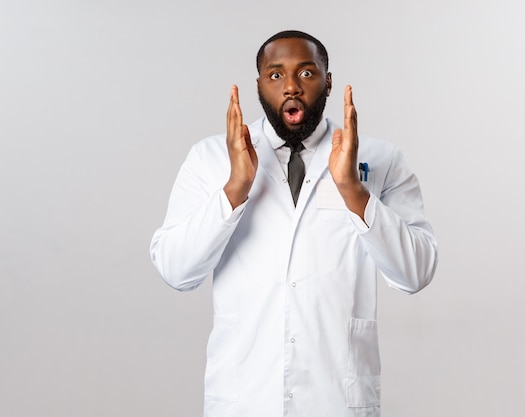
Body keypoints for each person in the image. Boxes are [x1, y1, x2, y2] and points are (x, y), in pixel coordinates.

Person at [150, 30, 438, 417]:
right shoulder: (209, 159)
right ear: (258, 85)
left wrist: (352, 189)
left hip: (336, 398)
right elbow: (176, 270)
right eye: (275, 75)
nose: (290, 87)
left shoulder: (380, 159)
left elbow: (415, 272)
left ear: (327, 80)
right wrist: (235, 187)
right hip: (247, 398)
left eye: (306, 73)